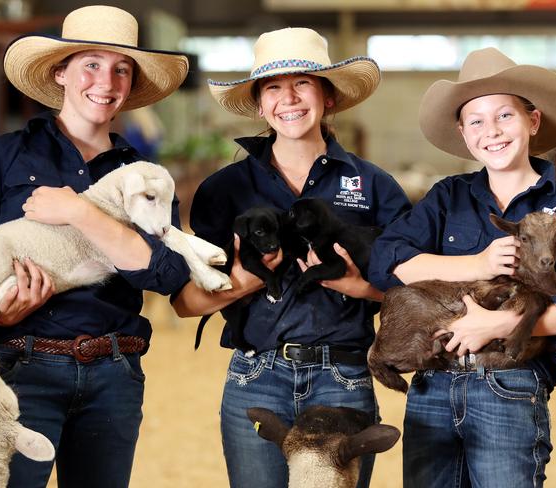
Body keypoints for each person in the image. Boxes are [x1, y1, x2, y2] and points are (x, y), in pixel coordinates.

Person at [0, 6, 191, 488]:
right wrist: (3, 313)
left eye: (122, 70)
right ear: (60, 73)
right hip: (17, 368)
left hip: (116, 371)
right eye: (91, 65)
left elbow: (168, 276)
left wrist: (82, 213)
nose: (107, 81)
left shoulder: (145, 175)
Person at [172, 27, 411, 488]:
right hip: (256, 372)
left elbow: (411, 287)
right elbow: (186, 304)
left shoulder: (375, 186)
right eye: (274, 88)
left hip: (343, 373)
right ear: (260, 105)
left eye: (303, 83)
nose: (290, 98)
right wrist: (251, 279)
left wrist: (360, 288)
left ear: (328, 98)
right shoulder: (224, 191)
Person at [368, 47, 556, 487]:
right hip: (433, 386)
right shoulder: (448, 197)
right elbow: (386, 261)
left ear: (533, 121)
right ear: (464, 133)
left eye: (505, 115)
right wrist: (477, 262)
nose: (492, 130)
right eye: (476, 121)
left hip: (511, 385)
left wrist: (496, 326)